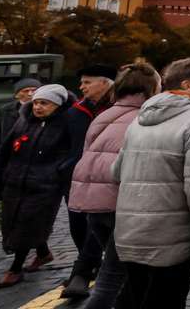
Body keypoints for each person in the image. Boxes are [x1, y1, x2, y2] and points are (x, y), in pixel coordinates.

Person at [113, 57, 190, 308]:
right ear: (188, 85)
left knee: (134, 299)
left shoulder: (141, 118)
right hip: (171, 239)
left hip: (130, 233)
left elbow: (117, 172)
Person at [65, 62, 161, 305]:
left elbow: (86, 154)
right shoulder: (145, 119)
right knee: (112, 278)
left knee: (122, 272)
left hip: (93, 204)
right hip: (122, 205)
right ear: (150, 89)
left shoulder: (103, 115)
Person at [0, 83, 72, 289]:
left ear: (57, 105)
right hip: (15, 182)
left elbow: (69, 155)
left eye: (44, 103)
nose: (38, 107)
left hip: (44, 186)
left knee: (27, 223)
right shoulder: (23, 122)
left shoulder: (65, 125)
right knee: (13, 221)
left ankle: (15, 268)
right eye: (36, 103)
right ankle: (43, 253)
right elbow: (4, 149)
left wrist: (54, 174)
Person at [62, 64, 117, 288]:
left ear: (105, 83)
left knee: (98, 222)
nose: (81, 87)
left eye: (87, 82)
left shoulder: (119, 110)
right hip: (76, 177)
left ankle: (83, 272)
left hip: (106, 178)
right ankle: (89, 266)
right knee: (77, 224)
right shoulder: (75, 111)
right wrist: (63, 167)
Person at [0, 78, 40, 246]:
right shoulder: (6, 110)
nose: (30, 93)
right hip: (6, 159)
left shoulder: (41, 110)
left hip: (29, 162)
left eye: (34, 89)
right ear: (17, 94)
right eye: (26, 90)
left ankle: (30, 239)